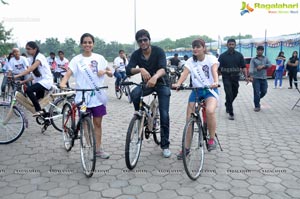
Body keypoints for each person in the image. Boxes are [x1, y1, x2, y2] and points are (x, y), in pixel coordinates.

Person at [60, 33, 113, 159]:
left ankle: (98, 149)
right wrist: (62, 82)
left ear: (93, 44)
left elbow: (111, 73)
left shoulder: (100, 58)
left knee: (98, 124)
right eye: (85, 42)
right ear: (81, 44)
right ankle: (90, 147)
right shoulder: (76, 60)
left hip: (98, 97)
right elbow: (68, 74)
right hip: (82, 97)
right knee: (85, 123)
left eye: (90, 42)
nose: (87, 44)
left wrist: (105, 71)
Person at [126, 29, 172, 158]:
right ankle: (140, 115)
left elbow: (163, 68)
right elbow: (128, 70)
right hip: (147, 84)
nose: (143, 42)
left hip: (162, 83)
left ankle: (165, 145)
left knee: (164, 114)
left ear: (149, 40)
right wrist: (140, 69)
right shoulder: (136, 54)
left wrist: (155, 76)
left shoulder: (158, 51)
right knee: (134, 94)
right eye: (140, 41)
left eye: (145, 40)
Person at [173, 38, 219, 157]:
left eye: (198, 46)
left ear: (204, 48)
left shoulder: (211, 58)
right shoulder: (190, 61)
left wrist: (215, 81)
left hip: (210, 90)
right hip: (196, 91)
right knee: (189, 119)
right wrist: (178, 83)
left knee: (210, 111)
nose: (195, 49)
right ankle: (186, 148)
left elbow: (214, 70)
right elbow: (184, 73)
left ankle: (211, 139)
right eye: (193, 47)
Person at [14, 41, 54, 116]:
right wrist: (23, 81)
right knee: (37, 101)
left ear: (35, 49)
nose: (27, 51)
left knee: (29, 90)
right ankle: (46, 117)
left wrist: (16, 76)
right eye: (26, 49)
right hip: (40, 82)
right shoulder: (31, 59)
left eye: (29, 49)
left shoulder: (39, 57)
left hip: (46, 82)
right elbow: (33, 76)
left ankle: (38, 110)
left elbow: (30, 70)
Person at [218, 38, 247, 120]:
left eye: (232, 44)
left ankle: (227, 103)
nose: (231, 46)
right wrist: (216, 78)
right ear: (227, 45)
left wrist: (246, 77)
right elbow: (218, 69)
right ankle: (231, 112)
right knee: (229, 93)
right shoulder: (222, 56)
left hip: (235, 77)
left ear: (235, 45)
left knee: (235, 93)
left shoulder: (239, 55)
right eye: (229, 44)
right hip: (226, 77)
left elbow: (243, 67)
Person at [248, 46, 271, 112]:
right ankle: (257, 106)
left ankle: (256, 99)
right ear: (256, 51)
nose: (260, 51)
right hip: (256, 78)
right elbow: (251, 68)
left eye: (261, 50)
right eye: (258, 50)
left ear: (263, 51)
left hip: (264, 78)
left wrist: (263, 66)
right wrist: (251, 75)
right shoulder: (253, 59)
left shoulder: (265, 58)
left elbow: (270, 64)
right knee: (256, 92)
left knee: (264, 91)